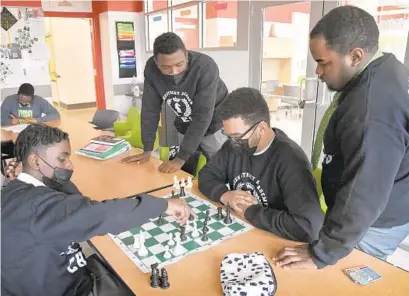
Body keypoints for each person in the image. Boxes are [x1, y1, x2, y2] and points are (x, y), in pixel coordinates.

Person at [275, 6, 409, 269]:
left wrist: (322, 253)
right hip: (384, 206)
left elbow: (365, 190)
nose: (318, 71)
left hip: (373, 223)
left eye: (324, 62)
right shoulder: (385, 68)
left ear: (356, 56)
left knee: (343, 278)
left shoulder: (371, 109)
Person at [1, 124, 192, 296]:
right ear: (35, 162)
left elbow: (78, 202)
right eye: (62, 159)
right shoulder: (37, 207)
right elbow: (101, 214)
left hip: (60, 274)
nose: (70, 165)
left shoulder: (21, 190)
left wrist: (56, 177)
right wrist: (163, 205)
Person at [198, 87, 323, 242]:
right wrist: (224, 195)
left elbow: (308, 227)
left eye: (237, 136)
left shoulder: (291, 160)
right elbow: (206, 175)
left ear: (262, 128)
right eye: (228, 136)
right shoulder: (233, 145)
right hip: (243, 231)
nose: (232, 143)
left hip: (275, 241)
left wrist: (252, 212)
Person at [122, 32, 228, 173]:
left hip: (215, 120)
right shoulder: (151, 69)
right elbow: (150, 109)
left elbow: (203, 115)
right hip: (188, 121)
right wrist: (147, 149)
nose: (173, 71)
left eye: (179, 64)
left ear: (186, 54)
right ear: (155, 61)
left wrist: (180, 158)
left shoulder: (205, 67)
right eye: (165, 67)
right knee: (192, 166)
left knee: (219, 166)